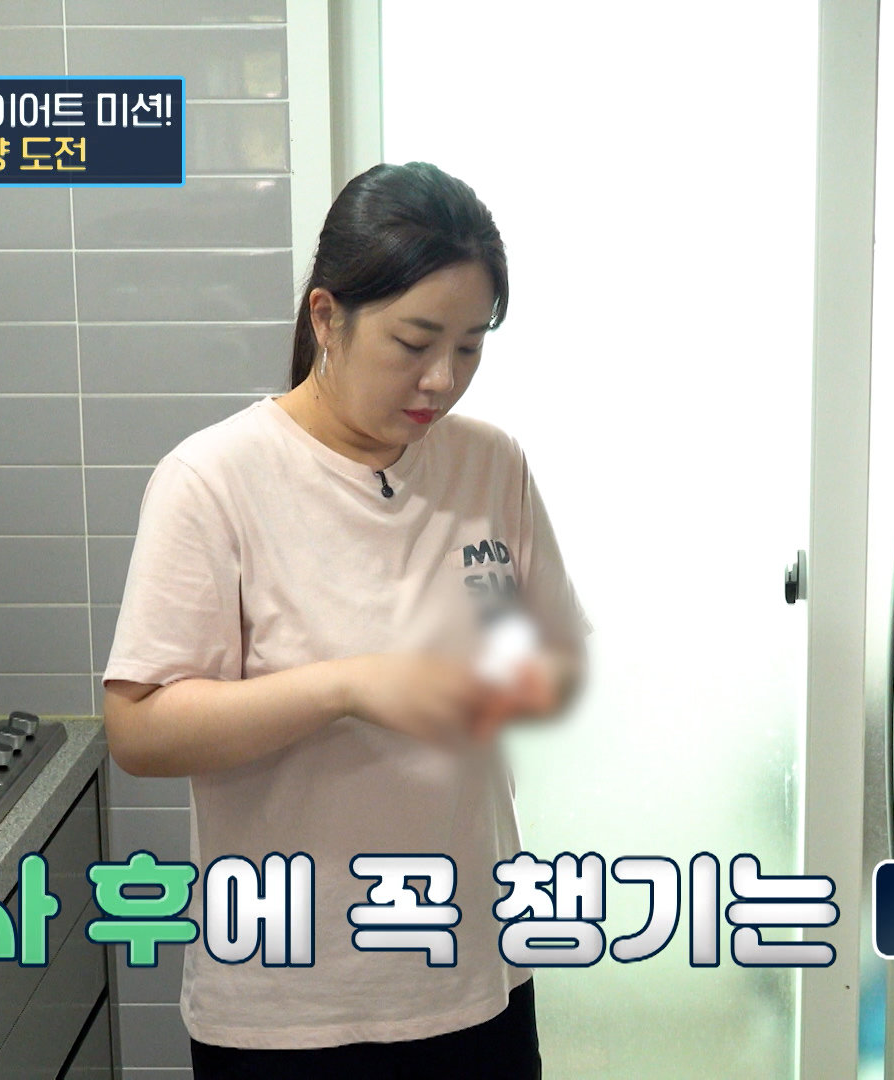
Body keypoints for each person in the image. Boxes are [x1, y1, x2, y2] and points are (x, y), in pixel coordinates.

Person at [102, 161, 590, 1079]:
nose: (442, 380)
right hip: (288, 1002)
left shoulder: (491, 465)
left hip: (471, 972)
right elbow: (139, 729)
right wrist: (349, 687)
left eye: (471, 346)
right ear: (327, 318)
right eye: (414, 342)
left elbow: (551, 655)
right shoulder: (213, 481)